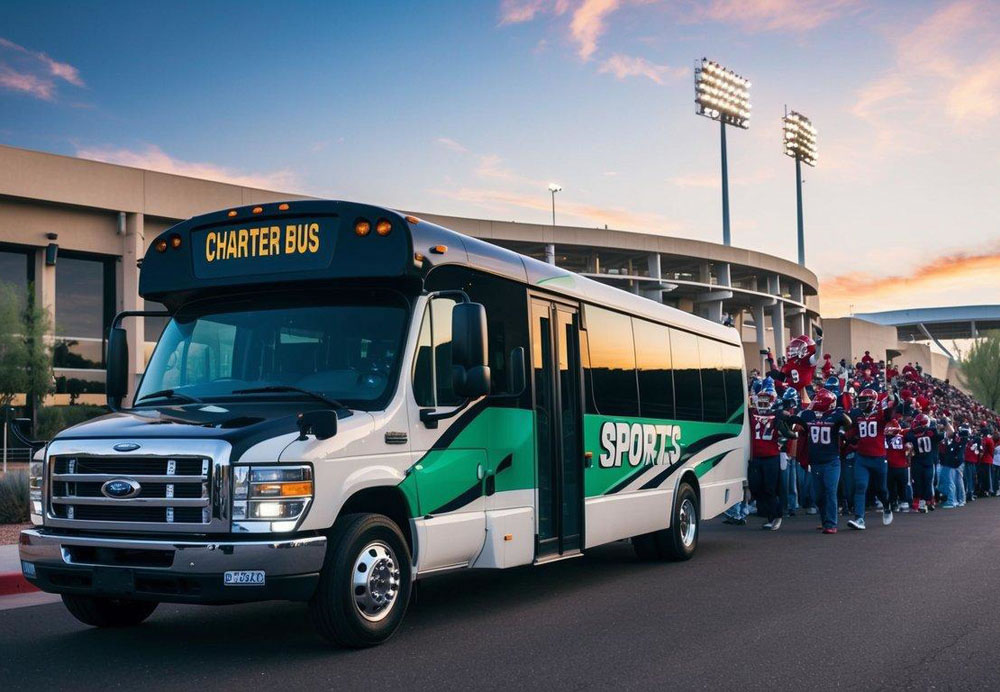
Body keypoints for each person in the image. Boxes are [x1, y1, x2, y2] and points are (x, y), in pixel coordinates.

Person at [789, 388, 851, 534]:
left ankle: (831, 523)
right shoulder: (808, 415)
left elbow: (848, 423)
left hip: (831, 461)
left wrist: (842, 429)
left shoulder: (835, 415)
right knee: (818, 495)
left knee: (830, 491)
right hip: (815, 462)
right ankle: (825, 521)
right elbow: (795, 425)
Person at [847, 388, 895, 530]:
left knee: (881, 489)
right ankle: (859, 518)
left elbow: (890, 414)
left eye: (864, 400)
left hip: (879, 458)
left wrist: (894, 400)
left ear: (872, 401)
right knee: (860, 486)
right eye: (860, 400)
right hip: (862, 457)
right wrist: (847, 436)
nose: (861, 403)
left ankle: (887, 507)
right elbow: (852, 432)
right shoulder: (858, 415)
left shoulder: (880, 414)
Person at [747, 383, 788, 531]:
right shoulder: (752, 413)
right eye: (761, 398)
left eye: (766, 399)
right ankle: (767, 512)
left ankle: (775, 516)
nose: (763, 402)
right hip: (757, 456)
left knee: (770, 488)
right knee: (755, 486)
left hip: (771, 456)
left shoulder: (777, 415)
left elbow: (787, 433)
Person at [906, 414, 945, 513]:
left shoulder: (931, 431)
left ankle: (927, 502)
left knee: (927, 483)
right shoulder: (911, 433)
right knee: (918, 483)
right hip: (919, 461)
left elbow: (942, 436)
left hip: (927, 461)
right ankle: (922, 502)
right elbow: (907, 442)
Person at [885, 422, 912, 512]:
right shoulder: (884, 436)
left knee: (902, 486)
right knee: (891, 486)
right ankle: (894, 502)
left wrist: (909, 447)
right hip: (891, 465)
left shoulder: (903, 434)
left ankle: (903, 501)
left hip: (901, 465)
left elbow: (911, 431)